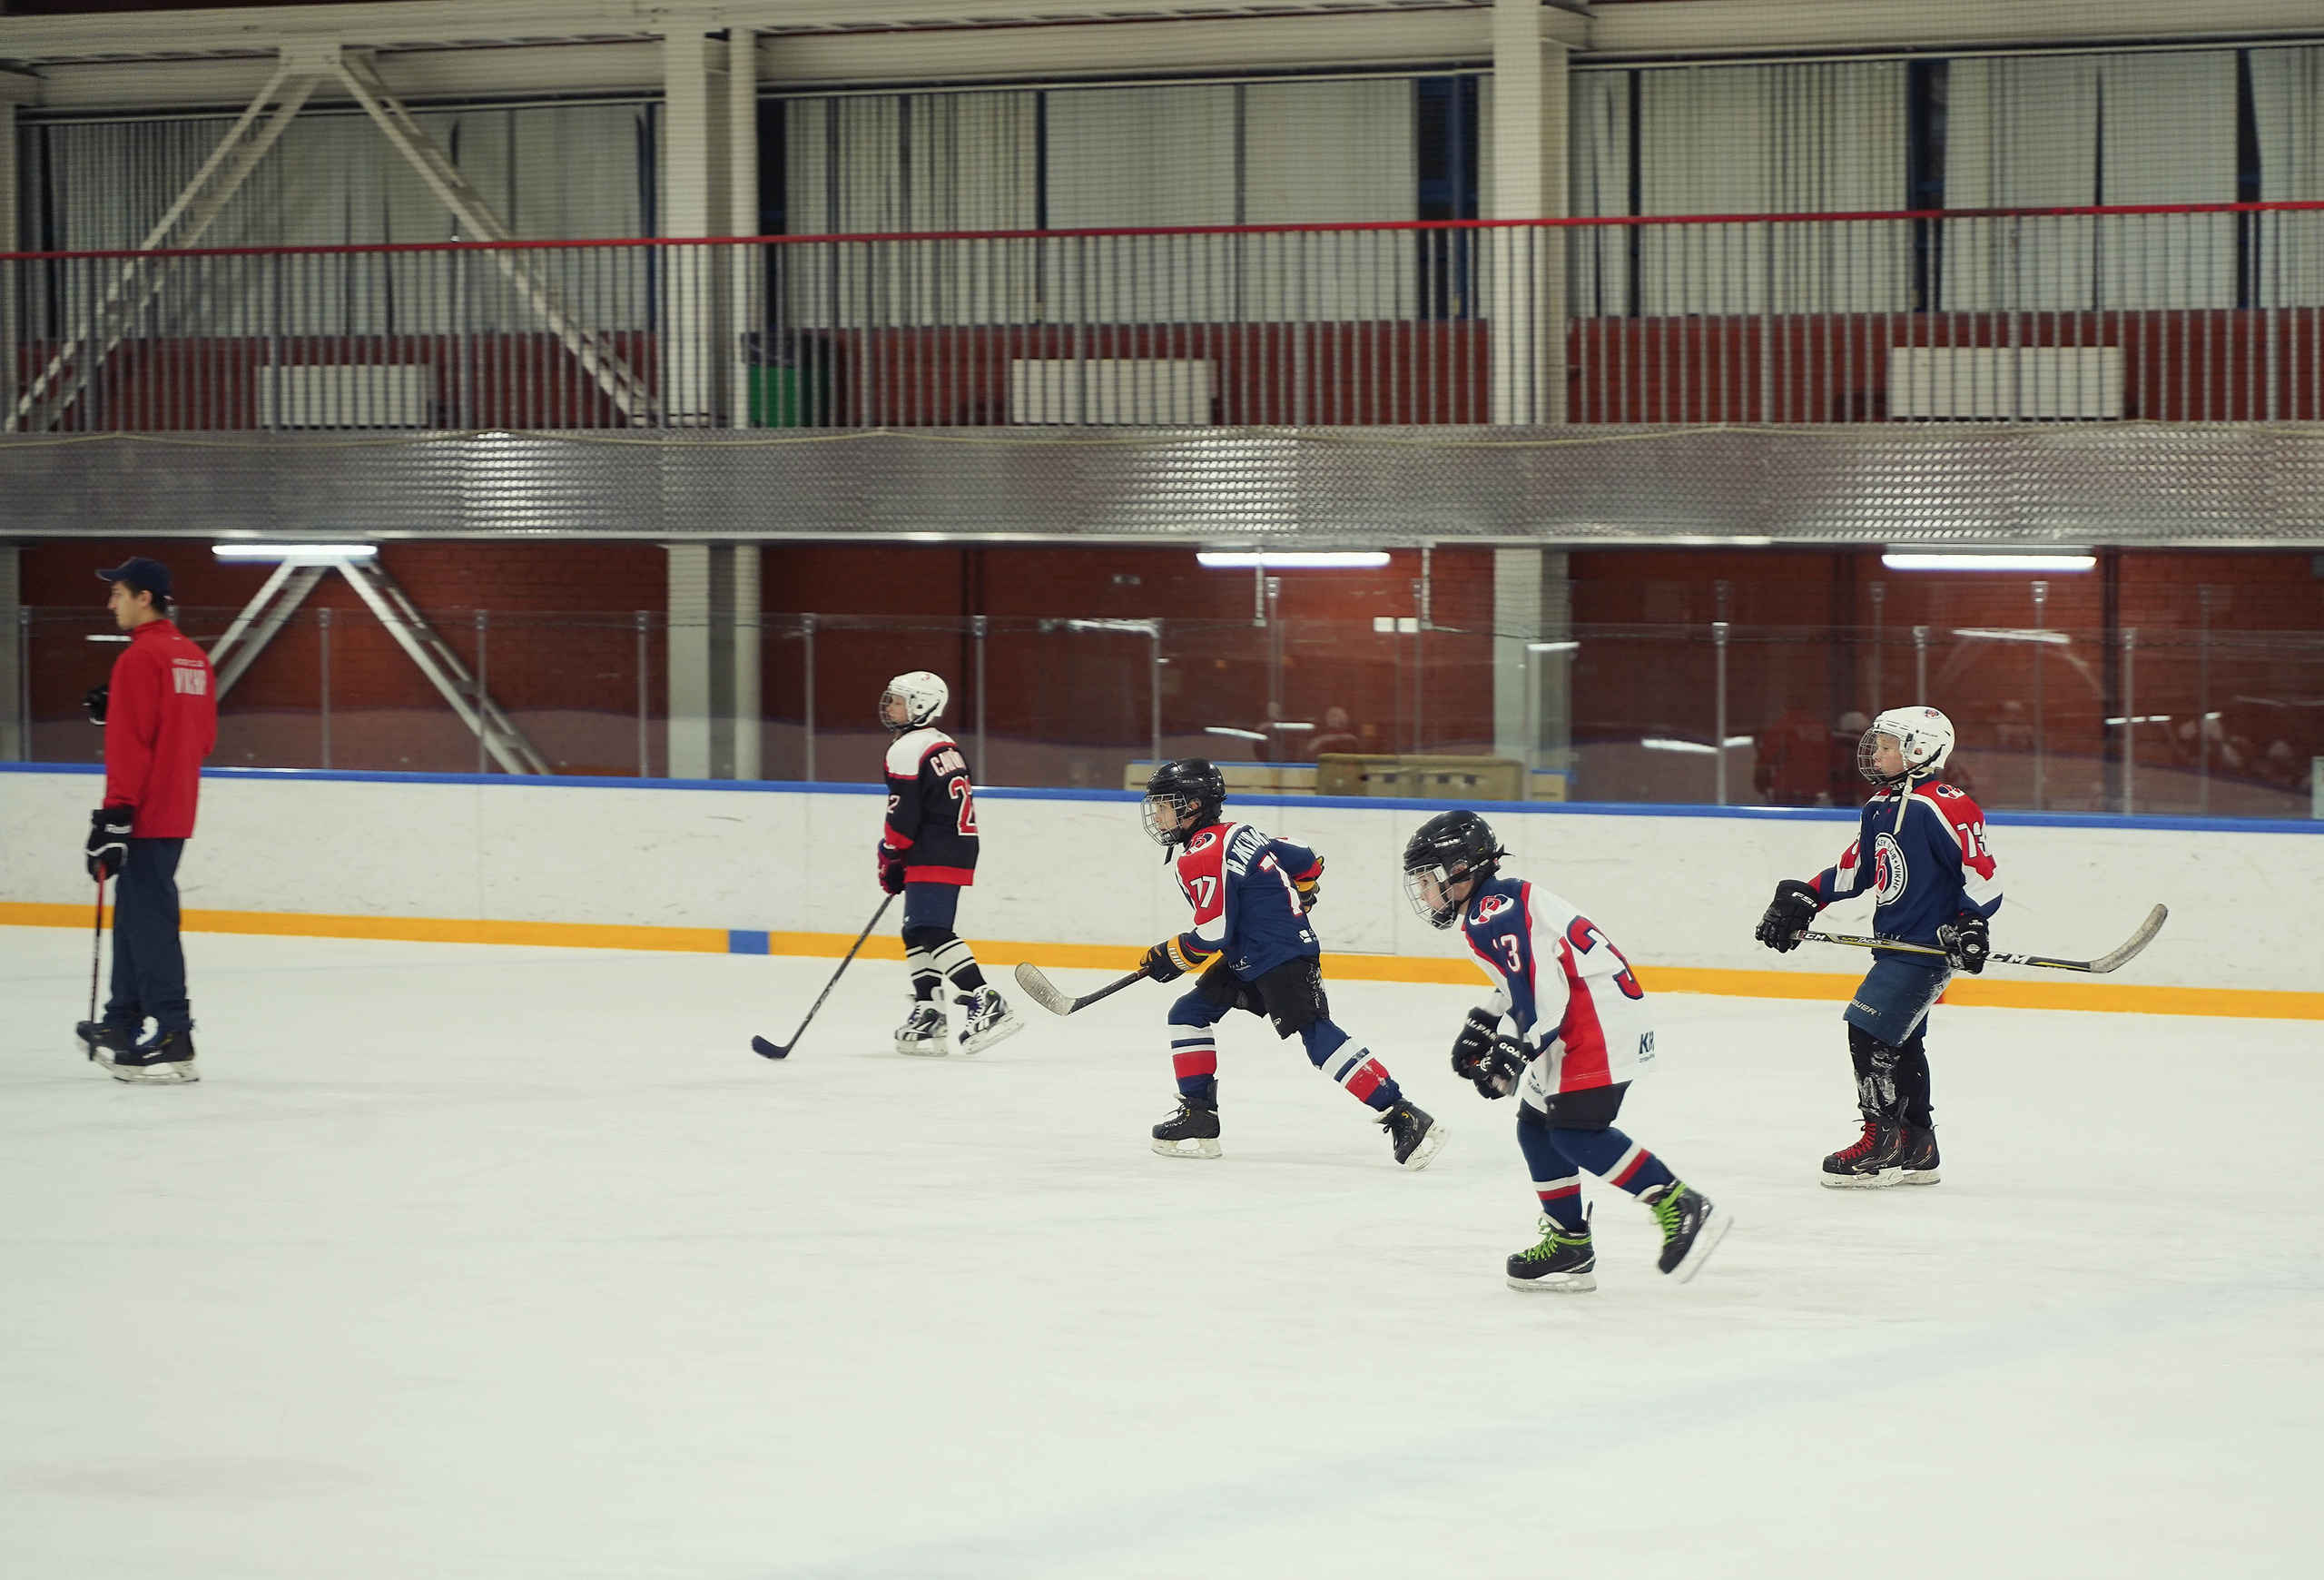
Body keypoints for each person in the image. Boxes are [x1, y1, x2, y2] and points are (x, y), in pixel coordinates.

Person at [1403, 810, 1728, 1291]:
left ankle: (1678, 1203)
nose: (1426, 894)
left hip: (1594, 1020)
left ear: (1461, 869)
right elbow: (1525, 978)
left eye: (1429, 880)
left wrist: (1515, 1051)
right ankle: (1570, 1244)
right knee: (1535, 1128)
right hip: (1584, 1013)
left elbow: (1545, 994)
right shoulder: (1497, 901)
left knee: (1576, 1133)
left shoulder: (1494, 911)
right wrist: (1485, 1018)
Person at [1139, 758, 1444, 1169]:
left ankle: (1403, 1114)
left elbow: (1214, 931)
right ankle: (1198, 1116)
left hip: (1279, 956)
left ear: (1194, 805)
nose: (1157, 815)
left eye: (1165, 805)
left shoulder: (1198, 854)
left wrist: (1171, 955)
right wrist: (1301, 889)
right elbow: (1305, 857)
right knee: (1189, 1013)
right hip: (1253, 954)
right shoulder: (1241, 833)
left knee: (1317, 1037)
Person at [1754, 706, 2002, 1187]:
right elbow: (1856, 870)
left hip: (1925, 949)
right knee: (1901, 1040)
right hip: (1894, 946)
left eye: (1890, 745)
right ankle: (1917, 1143)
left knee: (1865, 1030)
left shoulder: (1945, 806)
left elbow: (1984, 878)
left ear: (1921, 750)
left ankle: (1880, 1142)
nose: (1877, 752)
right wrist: (1808, 896)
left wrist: (1970, 925)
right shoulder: (1881, 806)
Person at [73, 556, 217, 1085]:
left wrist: (115, 815)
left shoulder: (139, 659)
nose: (111, 603)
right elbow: (200, 739)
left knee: (149, 919)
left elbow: (130, 746)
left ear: (146, 598)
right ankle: (120, 1022)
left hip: (143, 811)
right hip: (177, 808)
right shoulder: (194, 658)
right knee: (136, 914)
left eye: (119, 594)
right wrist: (124, 706)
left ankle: (175, 1032)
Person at [878, 670, 1019, 1056]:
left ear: (921, 705)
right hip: (951, 846)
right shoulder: (944, 744)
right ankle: (929, 1011)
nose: (889, 705)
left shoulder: (907, 748)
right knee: (916, 931)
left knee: (931, 929)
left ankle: (984, 998)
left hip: (933, 849)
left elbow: (903, 815)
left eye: (898, 699)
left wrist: (890, 854)